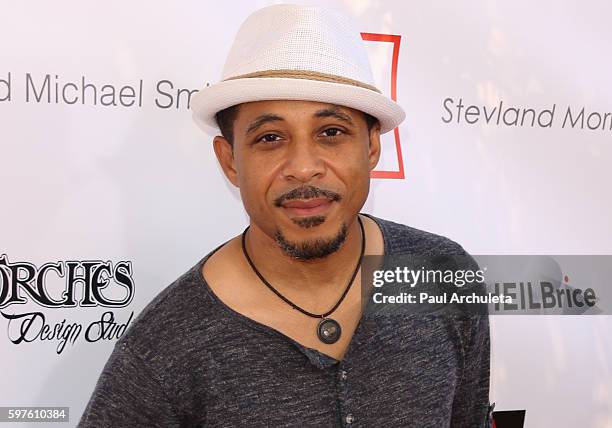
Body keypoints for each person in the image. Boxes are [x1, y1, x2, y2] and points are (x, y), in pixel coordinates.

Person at [79, 4, 491, 427]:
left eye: (331, 132)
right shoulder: (164, 348)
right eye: (270, 138)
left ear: (371, 147)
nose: (303, 166)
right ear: (230, 161)